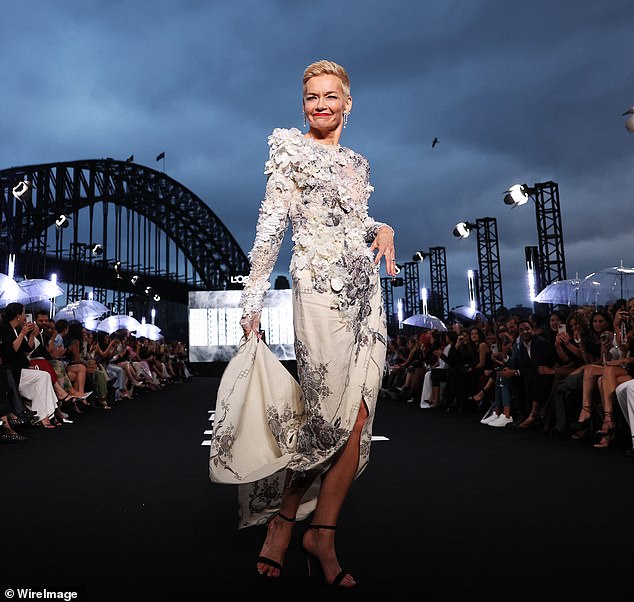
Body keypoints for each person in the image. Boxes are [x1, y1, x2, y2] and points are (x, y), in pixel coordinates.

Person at [209, 59, 395, 588]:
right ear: (303, 103)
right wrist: (252, 304)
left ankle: (324, 535)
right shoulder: (290, 151)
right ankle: (285, 521)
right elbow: (271, 230)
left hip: (365, 295)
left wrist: (381, 227)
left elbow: (354, 223)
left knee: (357, 422)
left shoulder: (358, 163)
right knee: (323, 421)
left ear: (348, 103)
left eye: (330, 95)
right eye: (312, 96)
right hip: (316, 298)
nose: (321, 104)